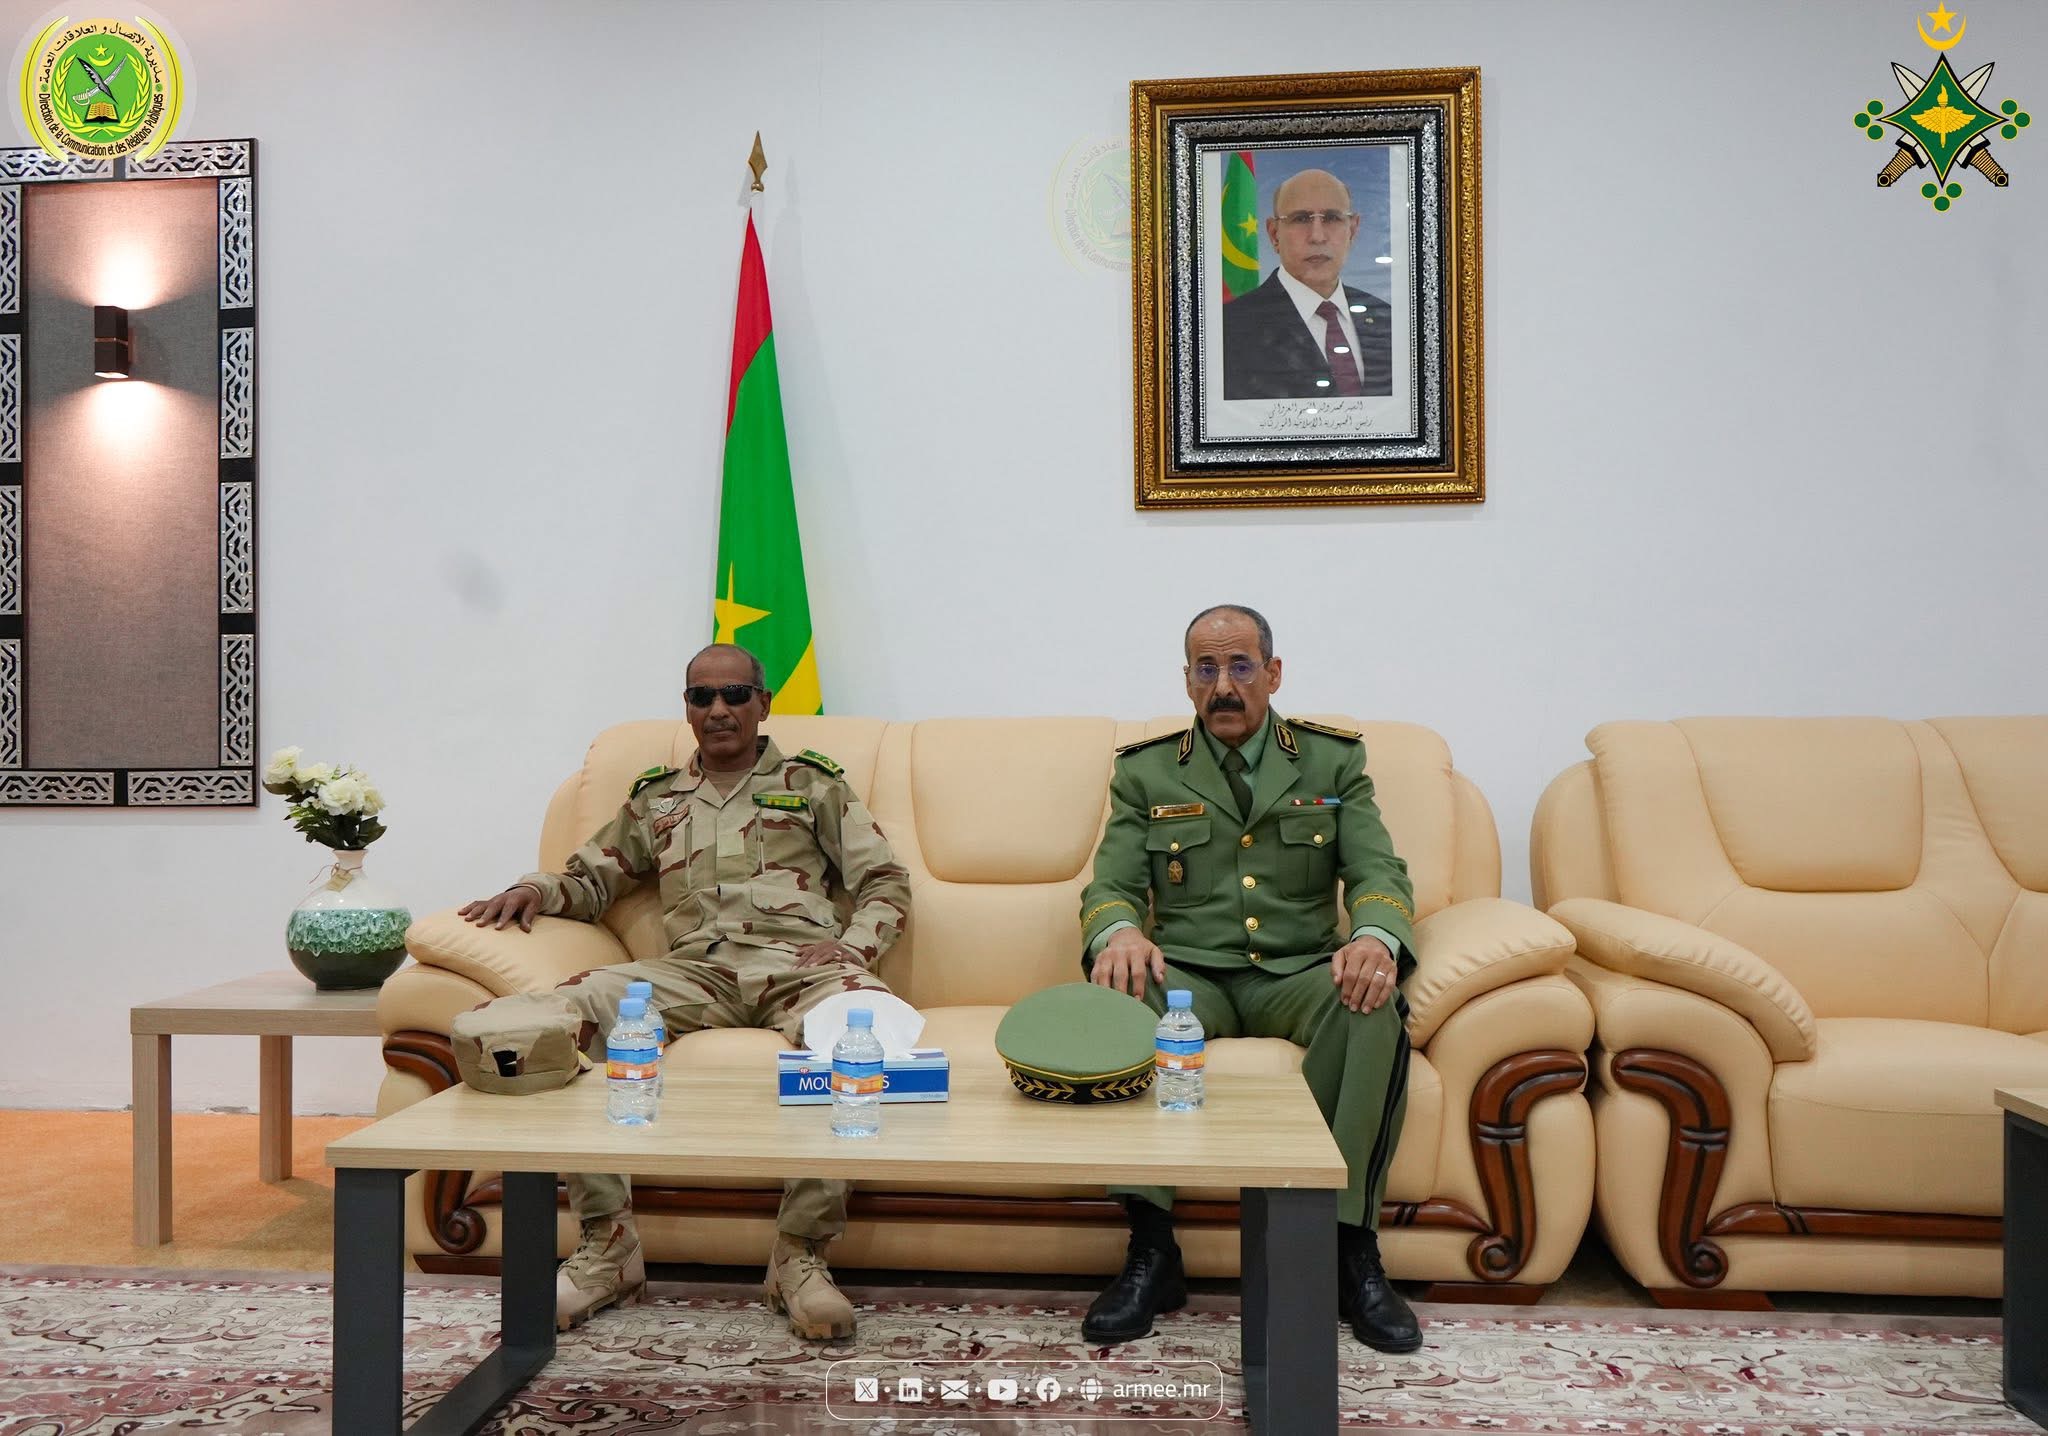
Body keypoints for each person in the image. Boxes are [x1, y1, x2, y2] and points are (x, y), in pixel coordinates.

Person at [459, 642, 911, 1341]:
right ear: (688, 709)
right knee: (562, 1013)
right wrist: (534, 890)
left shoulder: (812, 784)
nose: (719, 709)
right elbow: (590, 880)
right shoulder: (656, 798)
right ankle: (608, 1247)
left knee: (863, 1034)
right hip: (694, 971)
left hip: (800, 965)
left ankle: (799, 1257)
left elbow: (884, 880)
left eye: (735, 694)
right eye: (703, 697)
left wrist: (853, 948)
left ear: (763, 704)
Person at [1076, 604, 1422, 1353]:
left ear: (1274, 672)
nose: (1223, 686)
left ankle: (1350, 1251)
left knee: (1371, 1005)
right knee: (1125, 996)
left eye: (1240, 667)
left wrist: (1374, 935)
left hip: (1299, 972)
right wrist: (1119, 930)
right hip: (1189, 976)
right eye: (1206, 669)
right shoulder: (1146, 770)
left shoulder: (1331, 761)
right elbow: (1112, 884)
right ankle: (1151, 1250)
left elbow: (1377, 869)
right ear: (1187, 680)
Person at [1221, 168, 1394, 400]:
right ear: (1274, 234)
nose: (1317, 236)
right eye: (1301, 219)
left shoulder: (1387, 320)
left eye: (1332, 218)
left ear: (1352, 231)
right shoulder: (1228, 329)